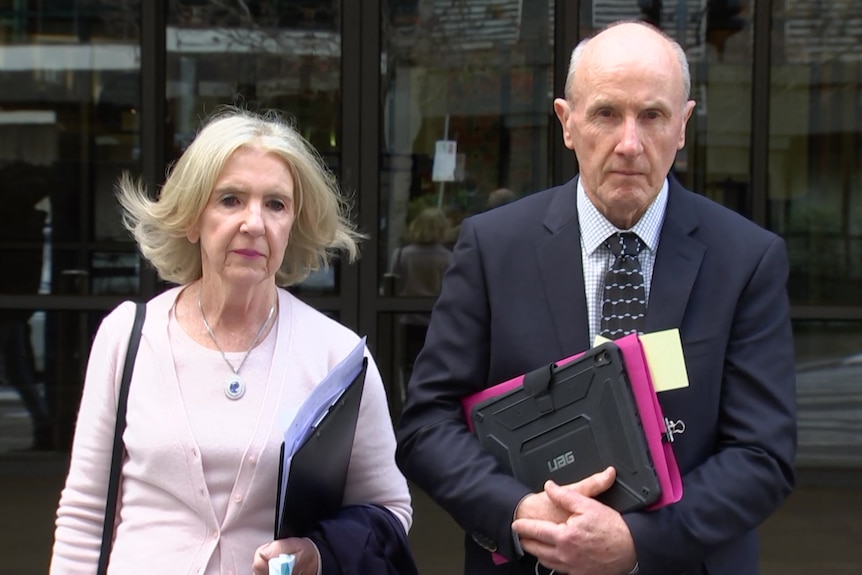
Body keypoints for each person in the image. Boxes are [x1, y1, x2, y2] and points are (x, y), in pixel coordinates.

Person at [395, 20, 796, 575]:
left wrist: (637, 542)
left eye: (652, 116)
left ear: (683, 125)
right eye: (606, 113)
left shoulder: (746, 259)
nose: (628, 143)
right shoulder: (494, 247)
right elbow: (428, 425)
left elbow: (762, 455)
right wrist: (519, 512)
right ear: (567, 122)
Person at [51, 108, 416, 575]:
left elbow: (389, 508)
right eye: (230, 199)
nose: (254, 223)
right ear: (192, 218)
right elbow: (84, 514)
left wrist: (319, 554)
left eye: (276, 204)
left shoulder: (337, 354)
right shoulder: (128, 336)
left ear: (293, 225)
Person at [387, 207, 454, 377]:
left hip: (407, 321)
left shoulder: (401, 255)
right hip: (437, 322)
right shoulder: (448, 258)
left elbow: (391, 285)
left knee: (409, 368)